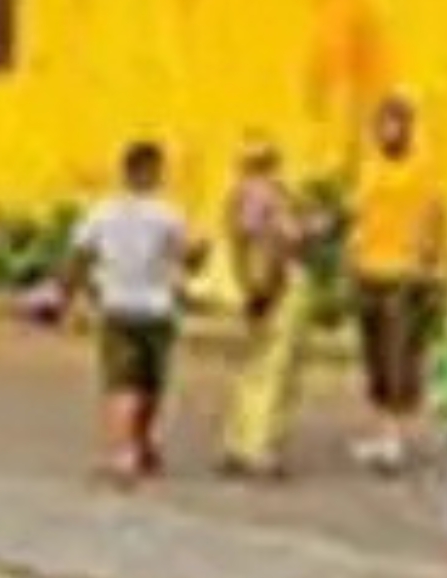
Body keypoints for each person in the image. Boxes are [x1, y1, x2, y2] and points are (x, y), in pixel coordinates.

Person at [72, 140, 201, 481]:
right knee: (150, 384)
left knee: (121, 383)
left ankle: (124, 451)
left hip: (116, 305)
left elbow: (80, 254)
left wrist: (71, 293)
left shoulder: (102, 211)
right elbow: (188, 257)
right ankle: (140, 443)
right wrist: (199, 256)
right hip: (156, 308)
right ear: (153, 171)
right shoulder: (168, 213)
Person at [344, 93, 447, 477]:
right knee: (372, 355)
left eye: (396, 124)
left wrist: (432, 265)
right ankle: (378, 430)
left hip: (403, 274)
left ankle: (393, 437)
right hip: (367, 271)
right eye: (383, 125)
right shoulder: (368, 169)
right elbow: (355, 215)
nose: (388, 132)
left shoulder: (422, 172)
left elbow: (435, 220)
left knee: (397, 355)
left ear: (409, 129)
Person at [210, 137, 321, 480]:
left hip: (254, 286)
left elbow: (240, 242)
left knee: (251, 367)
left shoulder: (237, 196)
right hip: (278, 285)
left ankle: (237, 441)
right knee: (276, 369)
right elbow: (274, 243)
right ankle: (260, 447)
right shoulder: (269, 197)